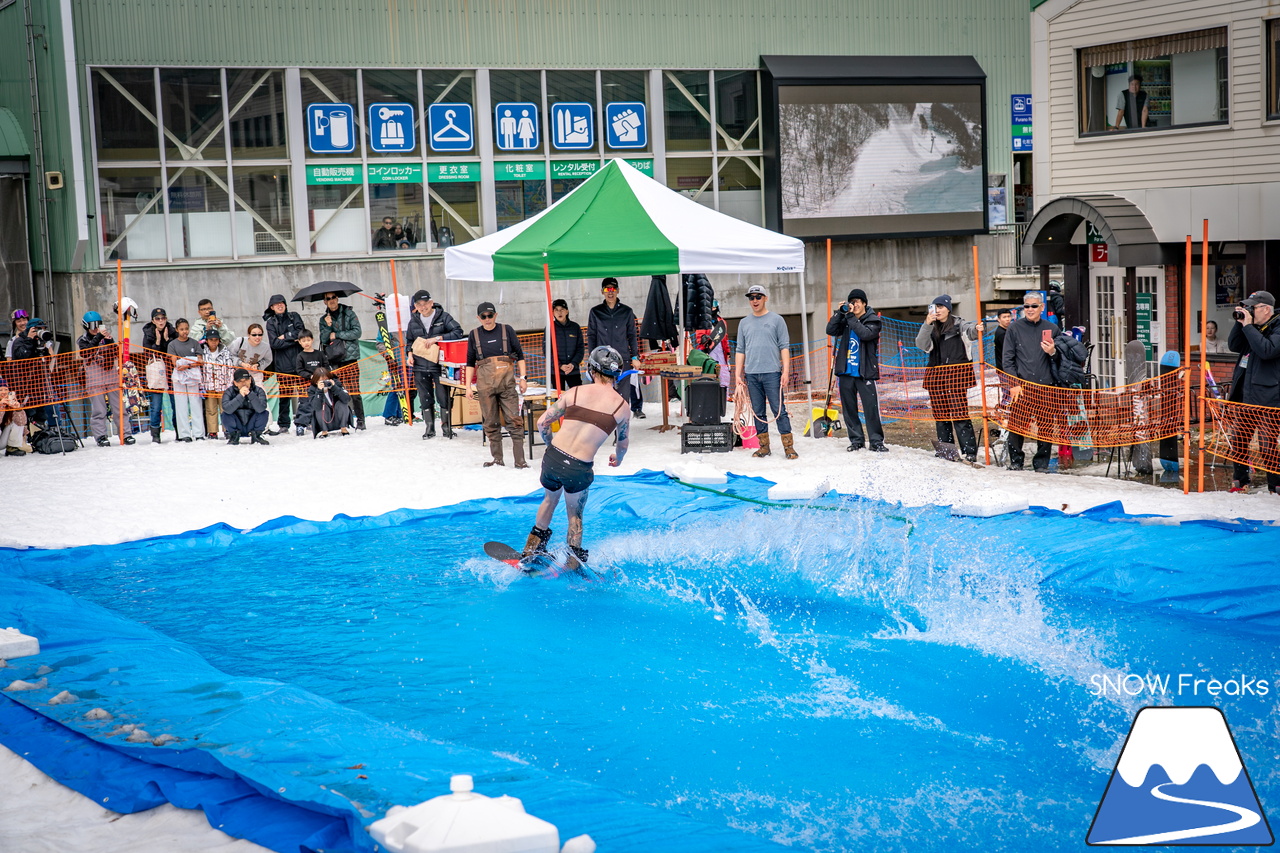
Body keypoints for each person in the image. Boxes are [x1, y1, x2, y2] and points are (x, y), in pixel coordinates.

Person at [521, 346, 631, 570]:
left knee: (549, 501)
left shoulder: (575, 392)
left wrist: (552, 444)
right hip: (578, 467)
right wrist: (617, 458)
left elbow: (543, 423)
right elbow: (623, 443)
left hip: (553, 458)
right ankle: (573, 561)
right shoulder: (622, 407)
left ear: (591, 369)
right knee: (575, 515)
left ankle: (531, 549)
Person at [735, 284, 798, 460]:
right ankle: (764, 447)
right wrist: (737, 374)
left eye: (758, 297)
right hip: (752, 374)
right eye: (751, 297)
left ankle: (789, 447)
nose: (754, 300)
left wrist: (785, 371)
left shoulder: (777, 320)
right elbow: (740, 350)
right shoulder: (744, 323)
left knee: (779, 410)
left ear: (765, 298)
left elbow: (784, 347)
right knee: (758, 411)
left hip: (772, 373)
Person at [1001, 292, 1061, 472]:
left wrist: (1053, 352)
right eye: (1026, 306)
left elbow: (1062, 361)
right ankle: (1016, 462)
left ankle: (1041, 464)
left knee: (1046, 427)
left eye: (1034, 306)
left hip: (1046, 386)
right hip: (1022, 386)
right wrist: (1014, 383)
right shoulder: (1014, 328)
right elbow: (1007, 360)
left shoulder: (1052, 328)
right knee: (1017, 426)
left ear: (1042, 308)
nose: (1029, 309)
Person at [1227, 291, 1280, 493]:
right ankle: (1240, 482)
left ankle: (1275, 485)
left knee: (1267, 445)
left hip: (1268, 397)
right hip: (1246, 394)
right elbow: (1234, 345)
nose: (1250, 311)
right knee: (1238, 440)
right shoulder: (1251, 328)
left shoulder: (1277, 326)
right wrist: (1240, 321)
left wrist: (1248, 326)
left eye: (1253, 307)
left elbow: (1267, 350)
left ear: (1266, 309)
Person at [916, 294, 980, 462]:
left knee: (960, 415)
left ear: (948, 309)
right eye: (934, 307)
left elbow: (971, 331)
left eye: (941, 307)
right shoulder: (930, 327)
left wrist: (977, 329)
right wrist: (927, 324)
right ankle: (946, 451)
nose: (937, 311)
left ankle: (969, 452)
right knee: (941, 416)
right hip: (936, 377)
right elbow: (921, 344)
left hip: (956, 376)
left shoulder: (959, 324)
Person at [465, 301, 528, 468]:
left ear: (496, 315)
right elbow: (470, 362)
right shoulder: (474, 335)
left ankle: (520, 461)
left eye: (490, 315)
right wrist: (467, 386)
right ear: (478, 318)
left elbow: (520, 356)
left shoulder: (506, 330)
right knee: (490, 423)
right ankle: (497, 459)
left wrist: (523, 378)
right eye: (483, 316)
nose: (487, 319)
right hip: (485, 386)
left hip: (507, 384)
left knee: (515, 421)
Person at [827, 288, 886, 452]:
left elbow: (865, 334)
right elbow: (830, 330)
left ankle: (876, 441)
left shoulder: (873, 320)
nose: (855, 305)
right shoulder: (847, 320)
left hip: (864, 372)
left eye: (858, 302)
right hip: (846, 371)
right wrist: (839, 314)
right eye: (852, 302)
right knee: (849, 409)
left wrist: (850, 317)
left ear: (865, 304)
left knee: (870, 408)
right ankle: (856, 440)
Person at [405, 289, 463, 439]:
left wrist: (438, 338)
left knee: (443, 396)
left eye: (425, 304)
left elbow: (458, 331)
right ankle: (429, 428)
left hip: (440, 364)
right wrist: (409, 355)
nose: (423, 307)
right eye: (419, 305)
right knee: (425, 397)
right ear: (415, 306)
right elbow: (409, 341)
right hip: (419, 365)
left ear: (431, 303)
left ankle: (446, 427)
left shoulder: (443, 317)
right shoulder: (413, 321)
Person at [587, 278, 643, 417]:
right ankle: (606, 426)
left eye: (613, 289)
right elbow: (591, 336)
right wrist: (591, 358)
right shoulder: (595, 312)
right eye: (607, 289)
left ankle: (622, 431)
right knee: (603, 395)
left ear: (618, 291)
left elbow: (632, 336)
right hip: (602, 361)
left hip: (622, 359)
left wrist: (635, 356)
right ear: (602, 292)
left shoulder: (627, 311)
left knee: (623, 397)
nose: (610, 292)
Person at [77, 311, 134, 448]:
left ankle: (126, 434)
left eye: (98, 324)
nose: (96, 328)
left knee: (119, 408)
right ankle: (101, 436)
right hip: (94, 378)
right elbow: (86, 352)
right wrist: (97, 338)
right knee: (99, 410)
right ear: (86, 326)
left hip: (110, 376)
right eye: (92, 325)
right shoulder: (83, 340)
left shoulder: (105, 337)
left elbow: (114, 354)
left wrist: (109, 341)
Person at [320, 290, 365, 429]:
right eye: (328, 298)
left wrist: (337, 334)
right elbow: (324, 339)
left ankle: (361, 420)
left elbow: (357, 332)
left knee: (354, 391)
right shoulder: (323, 319)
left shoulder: (349, 313)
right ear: (325, 301)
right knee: (338, 391)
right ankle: (343, 420)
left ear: (337, 298)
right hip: (333, 359)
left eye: (334, 297)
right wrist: (328, 327)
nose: (332, 300)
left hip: (349, 358)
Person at [264, 294, 304, 434]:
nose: (280, 305)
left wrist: (285, 336)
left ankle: (304, 421)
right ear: (272, 307)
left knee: (303, 394)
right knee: (285, 396)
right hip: (282, 365)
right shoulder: (271, 322)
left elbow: (301, 334)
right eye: (277, 304)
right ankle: (284, 424)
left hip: (299, 362)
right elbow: (274, 344)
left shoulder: (294, 316)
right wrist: (292, 339)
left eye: (282, 303)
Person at [142, 308, 177, 442]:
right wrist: (157, 342)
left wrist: (167, 340)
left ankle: (178, 431)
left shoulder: (172, 331)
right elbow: (148, 354)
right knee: (156, 406)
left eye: (163, 318)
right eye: (157, 318)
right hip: (156, 372)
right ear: (153, 321)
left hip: (171, 371)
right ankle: (155, 434)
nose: (161, 321)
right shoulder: (148, 334)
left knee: (175, 404)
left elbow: (173, 351)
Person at [167, 318, 204, 443]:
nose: (185, 332)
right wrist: (185, 363)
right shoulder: (172, 345)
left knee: (195, 404)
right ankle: (184, 434)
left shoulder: (194, 343)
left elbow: (200, 360)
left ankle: (199, 433)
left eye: (186, 329)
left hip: (193, 376)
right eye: (182, 329)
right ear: (177, 330)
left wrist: (188, 365)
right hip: (179, 376)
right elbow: (174, 362)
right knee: (181, 404)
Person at [201, 329, 238, 439]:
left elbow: (230, 368)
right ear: (206, 340)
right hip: (209, 386)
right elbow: (200, 370)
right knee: (210, 410)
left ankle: (227, 429)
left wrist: (230, 385)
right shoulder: (202, 352)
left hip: (224, 386)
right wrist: (201, 385)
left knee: (225, 409)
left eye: (216, 340)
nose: (213, 342)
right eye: (211, 340)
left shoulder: (225, 352)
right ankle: (212, 431)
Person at [221, 367, 270, 445]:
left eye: (246, 380)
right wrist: (240, 396)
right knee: (225, 414)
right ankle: (234, 436)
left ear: (250, 380)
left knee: (264, 412)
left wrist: (250, 395)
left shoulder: (259, 391)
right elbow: (227, 408)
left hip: (252, 424)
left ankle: (257, 436)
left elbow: (261, 408)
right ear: (235, 383)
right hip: (237, 424)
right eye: (240, 381)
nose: (244, 383)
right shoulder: (229, 391)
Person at [294, 328, 327, 435]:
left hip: (320, 385)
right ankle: (300, 425)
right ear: (299, 342)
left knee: (319, 403)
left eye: (308, 340)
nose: (306, 343)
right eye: (303, 341)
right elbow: (299, 371)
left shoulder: (320, 354)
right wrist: (311, 376)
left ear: (312, 340)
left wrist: (322, 376)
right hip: (305, 385)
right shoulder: (300, 356)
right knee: (304, 404)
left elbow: (326, 367)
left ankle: (315, 423)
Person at [307, 367, 353, 437]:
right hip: (325, 418)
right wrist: (319, 391)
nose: (325, 382)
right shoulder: (312, 389)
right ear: (316, 381)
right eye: (322, 381)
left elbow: (346, 399)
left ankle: (343, 428)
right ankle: (324, 431)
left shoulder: (336, 383)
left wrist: (334, 387)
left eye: (326, 379)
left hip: (337, 415)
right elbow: (315, 406)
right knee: (321, 407)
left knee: (342, 403)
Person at [551, 299, 584, 390]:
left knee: (577, 397)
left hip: (573, 371)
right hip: (556, 372)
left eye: (562, 309)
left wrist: (573, 364)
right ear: (553, 312)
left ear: (567, 311)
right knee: (559, 400)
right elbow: (547, 351)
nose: (559, 312)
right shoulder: (550, 328)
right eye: (556, 310)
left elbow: (580, 348)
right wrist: (559, 365)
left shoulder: (575, 327)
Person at [0, 376, 33, 457]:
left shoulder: (10, 402)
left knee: (15, 422)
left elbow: (22, 422)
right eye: (0, 390)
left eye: (6, 389)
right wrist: (1, 406)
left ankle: (12, 447)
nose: (4, 392)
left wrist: (18, 409)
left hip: (2, 441)